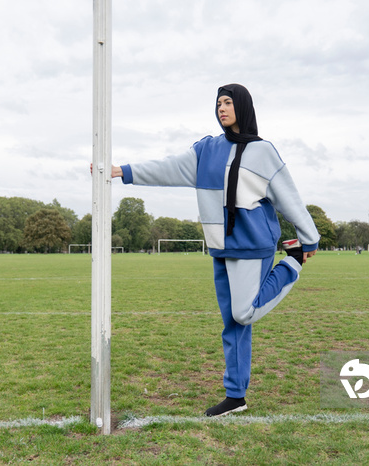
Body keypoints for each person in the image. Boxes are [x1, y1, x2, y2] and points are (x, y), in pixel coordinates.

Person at [109, 84, 320, 416]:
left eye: (228, 102)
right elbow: (168, 167)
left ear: (243, 107)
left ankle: (291, 264)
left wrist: (308, 239)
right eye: (218, 103)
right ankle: (236, 396)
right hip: (222, 249)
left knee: (243, 312)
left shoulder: (263, 152)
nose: (221, 108)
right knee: (233, 325)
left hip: (254, 246)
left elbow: (288, 197)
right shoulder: (206, 150)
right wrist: (124, 171)